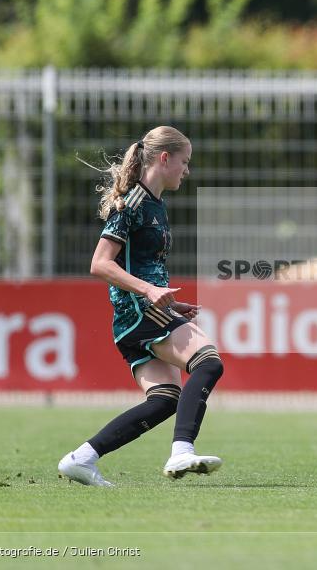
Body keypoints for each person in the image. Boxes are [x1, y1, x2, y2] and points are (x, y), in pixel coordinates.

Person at [58, 126, 225, 487]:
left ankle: (81, 459)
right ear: (165, 159)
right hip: (139, 312)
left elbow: (141, 264)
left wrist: (168, 300)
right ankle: (182, 451)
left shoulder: (155, 205)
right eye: (185, 161)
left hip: (140, 313)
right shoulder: (133, 202)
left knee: (165, 400)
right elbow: (100, 263)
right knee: (208, 362)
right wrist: (149, 291)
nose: (187, 169)